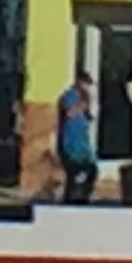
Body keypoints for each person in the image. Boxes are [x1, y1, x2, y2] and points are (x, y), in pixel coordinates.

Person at [56, 74, 99, 203]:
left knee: (89, 170)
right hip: (71, 142)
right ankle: (72, 196)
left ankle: (82, 195)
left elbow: (90, 116)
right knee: (75, 170)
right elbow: (70, 112)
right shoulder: (71, 95)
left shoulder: (84, 98)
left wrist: (91, 100)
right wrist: (86, 101)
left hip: (82, 142)